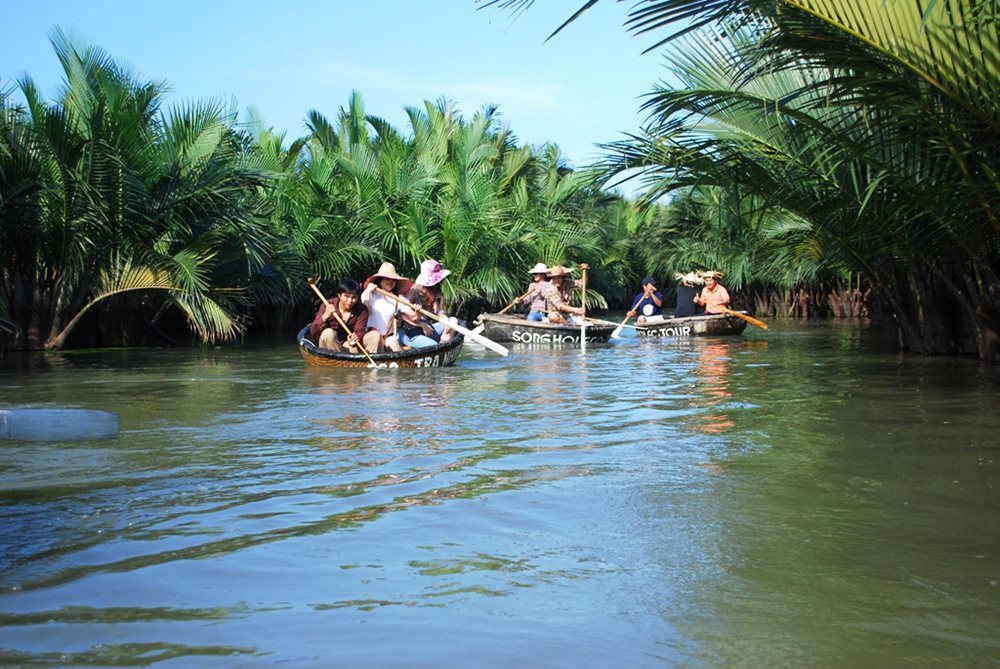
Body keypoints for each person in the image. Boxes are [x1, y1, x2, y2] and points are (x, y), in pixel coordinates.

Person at [397, 259, 457, 349]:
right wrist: (422, 325)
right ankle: (438, 350)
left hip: (428, 328)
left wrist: (444, 319)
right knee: (433, 346)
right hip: (411, 333)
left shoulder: (433, 290)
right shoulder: (414, 290)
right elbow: (402, 313)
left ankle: (442, 347)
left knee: (453, 321)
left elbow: (438, 310)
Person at [361, 262, 411, 352]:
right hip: (370, 335)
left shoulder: (398, 298)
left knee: (394, 345)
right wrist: (368, 291)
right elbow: (364, 312)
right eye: (387, 279)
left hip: (388, 336)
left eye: (393, 279)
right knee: (375, 338)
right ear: (380, 280)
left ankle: (403, 364)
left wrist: (417, 310)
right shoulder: (370, 294)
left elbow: (413, 316)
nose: (390, 282)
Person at [309, 278, 370, 353]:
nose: (350, 301)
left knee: (374, 335)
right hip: (329, 346)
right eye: (346, 296)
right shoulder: (327, 305)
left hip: (348, 345)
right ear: (339, 295)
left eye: (354, 297)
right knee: (328, 333)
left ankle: (371, 362)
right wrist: (325, 315)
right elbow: (313, 331)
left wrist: (355, 338)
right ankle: (336, 361)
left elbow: (360, 330)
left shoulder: (362, 309)